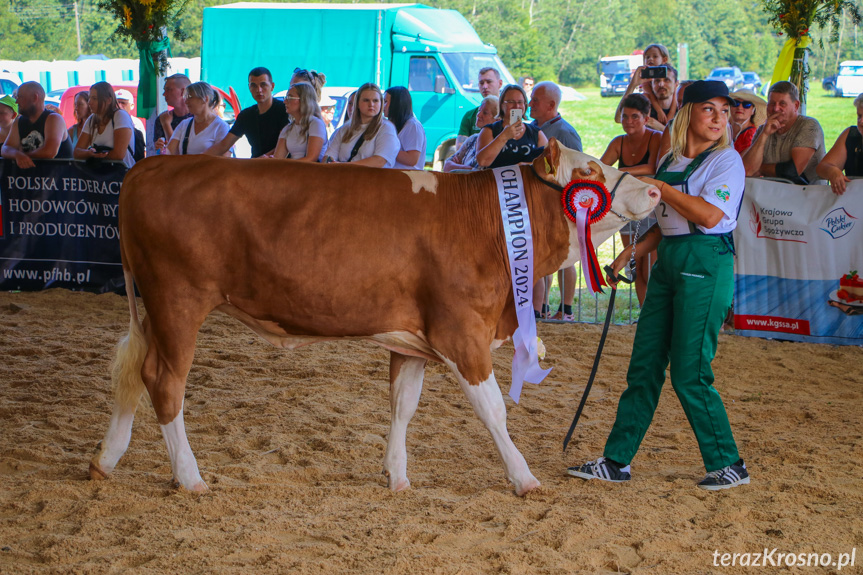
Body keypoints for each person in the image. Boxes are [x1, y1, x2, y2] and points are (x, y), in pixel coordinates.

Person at [568, 80, 750, 491]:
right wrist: (629, 253)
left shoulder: (727, 162)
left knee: (690, 371)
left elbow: (706, 216)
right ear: (689, 114)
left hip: (706, 261)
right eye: (710, 110)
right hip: (669, 258)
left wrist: (661, 187)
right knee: (645, 363)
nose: (720, 118)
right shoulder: (670, 157)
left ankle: (729, 463)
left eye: (725, 110)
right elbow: (667, 223)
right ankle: (616, 460)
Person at [600, 93, 662, 306]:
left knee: (651, 267)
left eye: (635, 116)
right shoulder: (618, 141)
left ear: (646, 118)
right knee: (635, 267)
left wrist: (622, 172)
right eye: (625, 117)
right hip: (628, 212)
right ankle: (645, 313)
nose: (628, 122)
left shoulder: (656, 138)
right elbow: (601, 168)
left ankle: (655, 316)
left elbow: (652, 167)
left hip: (653, 212)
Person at [529, 80, 583, 320]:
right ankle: (542, 306)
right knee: (542, 254)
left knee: (563, 256)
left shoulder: (565, 133)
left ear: (551, 105)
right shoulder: (530, 128)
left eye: (535, 100)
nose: (530, 104)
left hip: (559, 201)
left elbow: (577, 169)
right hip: (538, 201)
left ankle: (566, 308)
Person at [742, 81, 825, 185]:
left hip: (810, 196)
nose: (776, 109)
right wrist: (764, 135)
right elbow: (747, 170)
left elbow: (793, 170)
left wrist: (760, 168)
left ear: (796, 105)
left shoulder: (809, 125)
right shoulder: (763, 130)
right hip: (774, 195)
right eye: (772, 103)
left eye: (782, 104)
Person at [205, 67, 290, 158]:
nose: (259, 90)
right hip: (255, 166)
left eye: (263, 85)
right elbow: (223, 145)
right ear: (249, 87)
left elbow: (286, 144)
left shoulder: (284, 110)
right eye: (254, 85)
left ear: (272, 86)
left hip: (281, 166)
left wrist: (264, 158)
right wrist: (198, 158)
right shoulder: (246, 116)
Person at [324, 82, 399, 167]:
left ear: (380, 103)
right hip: (343, 178)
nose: (371, 104)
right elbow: (328, 157)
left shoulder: (386, 128)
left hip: (372, 179)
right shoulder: (345, 128)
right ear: (358, 103)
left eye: (375, 100)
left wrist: (344, 166)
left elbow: (379, 161)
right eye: (366, 100)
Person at [1, 81, 73, 168]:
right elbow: (6, 148)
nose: (17, 102)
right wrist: (18, 155)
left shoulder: (54, 119)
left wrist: (23, 156)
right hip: (34, 178)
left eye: (20, 97)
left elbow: (49, 152)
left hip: (59, 178)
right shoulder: (19, 121)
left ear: (35, 98)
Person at [475, 84, 547, 169]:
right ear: (502, 105)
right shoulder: (490, 130)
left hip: (525, 181)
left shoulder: (536, 133)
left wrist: (526, 165)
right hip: (495, 181)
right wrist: (504, 136)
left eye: (520, 102)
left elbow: (549, 163)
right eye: (511, 102)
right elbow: (482, 161)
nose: (516, 106)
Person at [72, 81, 135, 168]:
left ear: (109, 100)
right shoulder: (91, 119)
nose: (90, 102)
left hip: (123, 174)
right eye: (89, 98)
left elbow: (119, 154)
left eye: (94, 98)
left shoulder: (120, 116)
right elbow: (77, 152)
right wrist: (90, 154)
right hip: (101, 177)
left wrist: (96, 156)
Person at [164, 82, 231, 156]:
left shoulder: (221, 127)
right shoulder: (184, 125)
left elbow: (225, 159)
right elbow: (170, 152)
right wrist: (162, 149)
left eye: (190, 97)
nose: (186, 101)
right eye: (186, 97)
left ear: (205, 99)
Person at [816, 93, 863, 195]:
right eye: (859, 116)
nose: (861, 121)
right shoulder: (850, 135)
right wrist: (832, 171)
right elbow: (821, 168)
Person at [615, 44, 674, 125]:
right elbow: (619, 118)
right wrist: (633, 84)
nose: (661, 84)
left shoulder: (679, 99)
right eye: (647, 57)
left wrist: (665, 121)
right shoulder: (646, 90)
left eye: (667, 80)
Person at [273, 82, 327, 162]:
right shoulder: (288, 128)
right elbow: (277, 159)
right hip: (293, 172)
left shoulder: (316, 124)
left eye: (289, 97)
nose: (285, 101)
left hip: (309, 172)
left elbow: (311, 159)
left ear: (304, 100)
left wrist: (287, 168)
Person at [443, 95, 498, 172]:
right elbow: (447, 166)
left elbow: (482, 174)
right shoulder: (473, 138)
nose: (478, 115)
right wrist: (468, 169)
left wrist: (459, 166)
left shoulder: (497, 144)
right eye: (479, 110)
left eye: (485, 113)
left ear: (497, 119)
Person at [456, 67, 503, 150]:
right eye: (481, 83)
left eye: (489, 82)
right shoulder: (469, 115)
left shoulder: (509, 113)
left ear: (500, 83)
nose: (485, 86)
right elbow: (460, 151)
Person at [384, 86, 426, 170]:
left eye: (385, 101)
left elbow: (412, 159)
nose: (382, 105)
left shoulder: (413, 126)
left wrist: (385, 149)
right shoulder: (389, 124)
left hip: (407, 179)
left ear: (396, 104)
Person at [153, 73, 192, 154]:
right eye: (164, 90)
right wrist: (158, 147)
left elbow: (180, 151)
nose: (164, 94)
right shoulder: (162, 118)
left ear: (183, 91)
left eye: (168, 89)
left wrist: (166, 125)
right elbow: (161, 152)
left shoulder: (196, 118)